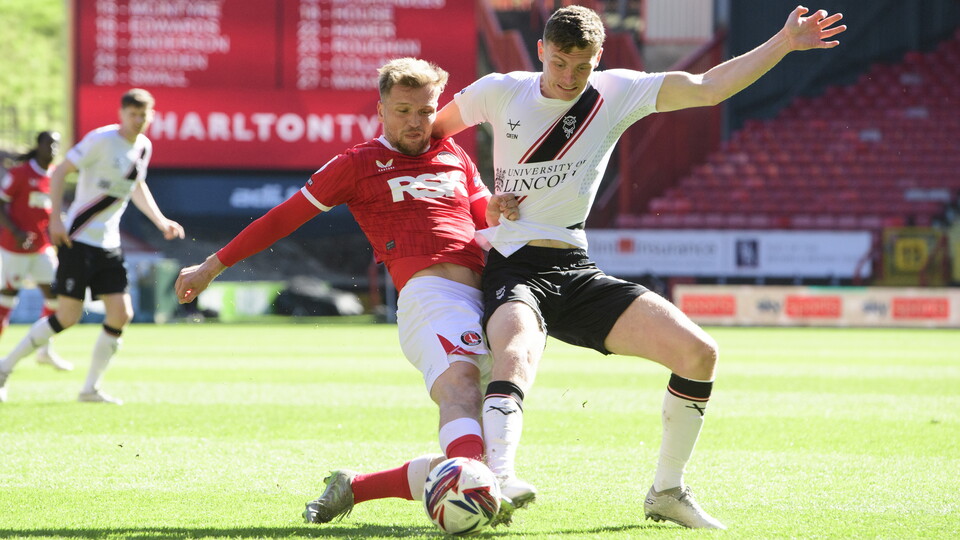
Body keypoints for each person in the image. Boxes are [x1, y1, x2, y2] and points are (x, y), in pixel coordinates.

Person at [433, 5, 846, 530]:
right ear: (541, 50)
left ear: (597, 59)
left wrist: (784, 42)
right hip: (513, 265)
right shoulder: (499, 89)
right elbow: (434, 138)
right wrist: (481, 199)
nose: (567, 78)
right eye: (558, 63)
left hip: (576, 269)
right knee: (516, 353)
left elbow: (707, 87)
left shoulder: (615, 90)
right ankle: (500, 477)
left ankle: (667, 492)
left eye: (580, 67)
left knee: (699, 354)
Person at [172, 58, 531, 526]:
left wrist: (496, 209)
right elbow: (282, 218)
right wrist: (211, 265)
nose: (416, 122)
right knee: (460, 392)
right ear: (380, 109)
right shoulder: (357, 163)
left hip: (484, 298)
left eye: (425, 111)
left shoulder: (453, 154)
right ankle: (486, 489)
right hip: (430, 298)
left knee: (480, 426)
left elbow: (477, 206)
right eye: (403, 110)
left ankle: (357, 487)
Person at [0, 88, 185, 404]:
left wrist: (160, 220)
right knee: (67, 317)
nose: (138, 120)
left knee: (121, 313)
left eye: (144, 115)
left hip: (108, 244)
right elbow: (60, 171)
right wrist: (57, 220)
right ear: (121, 114)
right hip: (78, 239)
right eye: (133, 114)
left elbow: (136, 184)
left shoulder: (143, 147)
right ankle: (5, 368)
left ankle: (90, 389)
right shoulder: (101, 140)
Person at [0, 131, 73, 371]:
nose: (53, 148)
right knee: (6, 301)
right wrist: (16, 231)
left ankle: (44, 350)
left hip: (42, 248)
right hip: (14, 249)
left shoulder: (55, 175)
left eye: (57, 144)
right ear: (39, 145)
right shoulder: (20, 173)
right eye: (49, 143)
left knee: (56, 300)